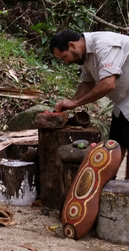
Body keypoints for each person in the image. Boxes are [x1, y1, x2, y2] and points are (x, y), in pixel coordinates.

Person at [52, 30, 129, 178]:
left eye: (64, 57)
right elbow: (87, 83)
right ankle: (110, 186)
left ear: (72, 45)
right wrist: (72, 101)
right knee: (116, 144)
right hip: (123, 100)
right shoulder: (84, 55)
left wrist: (77, 103)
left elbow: (108, 84)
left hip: (126, 96)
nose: (66, 62)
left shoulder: (105, 45)